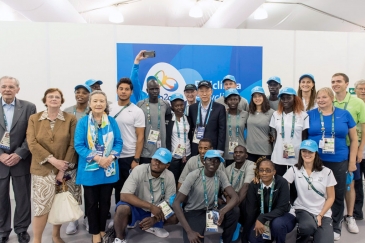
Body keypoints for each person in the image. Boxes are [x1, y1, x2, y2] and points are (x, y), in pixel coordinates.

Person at [26, 88, 77, 243]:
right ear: (45, 100)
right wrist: (52, 160)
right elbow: (32, 143)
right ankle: (37, 240)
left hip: (64, 170)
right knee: (41, 207)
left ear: (61, 101)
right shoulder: (34, 119)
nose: (54, 99)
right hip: (42, 169)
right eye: (50, 97)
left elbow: (72, 144)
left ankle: (56, 236)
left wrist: (62, 169)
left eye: (57, 97)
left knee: (58, 204)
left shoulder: (70, 119)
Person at [307, 87, 358, 241]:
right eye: (318, 98)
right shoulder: (310, 115)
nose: (321, 100)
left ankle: (336, 226)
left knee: (337, 193)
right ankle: (316, 222)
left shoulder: (344, 114)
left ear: (331, 98)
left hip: (339, 160)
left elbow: (354, 140)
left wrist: (352, 162)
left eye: (324, 97)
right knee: (316, 192)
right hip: (316, 160)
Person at [74, 90, 123, 243]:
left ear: (105, 104)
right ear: (90, 104)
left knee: (106, 202)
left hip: (108, 168)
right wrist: (98, 158)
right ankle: (95, 232)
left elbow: (118, 143)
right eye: (95, 101)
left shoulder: (111, 121)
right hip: (90, 171)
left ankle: (102, 229)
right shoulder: (83, 122)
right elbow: (79, 145)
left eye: (101, 101)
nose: (98, 104)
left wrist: (110, 157)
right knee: (91, 203)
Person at [172, 150, 240, 243]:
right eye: (210, 160)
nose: (213, 162)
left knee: (234, 211)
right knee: (194, 239)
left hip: (212, 209)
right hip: (194, 211)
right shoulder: (193, 175)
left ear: (219, 163)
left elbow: (235, 197)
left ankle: (226, 240)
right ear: (204, 161)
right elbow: (176, 203)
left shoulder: (221, 174)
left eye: (216, 160)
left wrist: (223, 211)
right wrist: (189, 231)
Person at [113, 148, 178, 243]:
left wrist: (155, 219)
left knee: (174, 217)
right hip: (138, 206)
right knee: (122, 208)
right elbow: (124, 195)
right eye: (155, 159)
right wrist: (150, 206)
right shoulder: (139, 170)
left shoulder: (170, 176)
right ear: (151, 159)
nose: (157, 163)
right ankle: (120, 238)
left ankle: (153, 226)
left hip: (157, 209)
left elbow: (169, 202)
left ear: (167, 165)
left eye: (161, 162)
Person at [0, 76, 36, 243]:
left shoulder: (29, 107)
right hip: (0, 161)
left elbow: (32, 134)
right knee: (1, 198)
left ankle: (22, 229)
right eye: (4, 86)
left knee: (22, 198)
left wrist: (19, 154)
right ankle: (3, 230)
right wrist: (1, 155)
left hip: (20, 160)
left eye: (11, 86)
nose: (7, 89)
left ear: (17, 89)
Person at [283, 139, 336, 243]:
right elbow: (281, 183)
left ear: (316, 153)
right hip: (303, 209)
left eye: (310, 151)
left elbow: (331, 197)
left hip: (322, 212)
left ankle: (314, 236)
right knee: (307, 227)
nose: (307, 154)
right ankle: (303, 236)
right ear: (300, 152)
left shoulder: (327, 172)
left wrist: (320, 215)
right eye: (304, 151)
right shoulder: (294, 169)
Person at [331, 73, 365, 235]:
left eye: (339, 81)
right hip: (333, 150)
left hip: (351, 150)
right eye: (333, 82)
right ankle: (332, 217)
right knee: (332, 185)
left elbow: (363, 130)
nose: (335, 84)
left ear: (347, 84)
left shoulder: (357, 103)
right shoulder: (330, 101)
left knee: (349, 184)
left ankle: (350, 216)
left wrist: (359, 151)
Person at [109, 78, 145, 204]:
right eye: (121, 89)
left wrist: (136, 159)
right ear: (117, 90)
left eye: (127, 89)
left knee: (127, 190)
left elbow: (140, 137)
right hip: (111, 156)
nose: (123, 92)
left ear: (131, 92)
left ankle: (128, 216)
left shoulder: (137, 111)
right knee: (112, 189)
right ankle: (116, 215)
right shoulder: (108, 108)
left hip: (128, 156)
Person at [241, 159, 295, 243]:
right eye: (261, 170)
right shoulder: (254, 185)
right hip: (263, 217)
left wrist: (262, 218)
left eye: (268, 170)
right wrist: (245, 236)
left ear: (274, 172)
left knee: (277, 225)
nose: (264, 173)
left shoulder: (282, 182)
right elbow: (251, 211)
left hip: (281, 216)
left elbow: (282, 208)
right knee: (253, 239)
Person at [63, 83, 91, 235]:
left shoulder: (92, 111)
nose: (80, 95)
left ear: (90, 95)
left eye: (84, 93)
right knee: (72, 189)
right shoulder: (67, 112)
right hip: (71, 156)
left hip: (87, 156)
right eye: (77, 92)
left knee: (88, 190)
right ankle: (73, 219)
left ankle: (87, 217)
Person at [270, 87, 308, 174]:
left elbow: (304, 138)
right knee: (279, 185)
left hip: (296, 158)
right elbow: (275, 136)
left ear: (295, 99)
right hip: (278, 157)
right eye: (283, 98)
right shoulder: (275, 115)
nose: (285, 100)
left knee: (295, 186)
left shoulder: (303, 116)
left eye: (288, 97)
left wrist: (303, 157)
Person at [137, 77, 171, 164]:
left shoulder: (165, 104)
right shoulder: (140, 105)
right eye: (152, 89)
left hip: (161, 149)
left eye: (157, 89)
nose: (155, 91)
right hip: (146, 151)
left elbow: (168, 118)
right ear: (147, 90)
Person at [187, 80, 226, 156]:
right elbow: (191, 128)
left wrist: (220, 149)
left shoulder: (220, 108)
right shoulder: (192, 108)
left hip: (212, 147)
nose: (204, 94)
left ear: (211, 91)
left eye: (207, 91)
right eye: (201, 91)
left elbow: (222, 130)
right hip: (196, 146)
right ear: (198, 93)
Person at [166, 93, 191, 185]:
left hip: (187, 154)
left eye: (181, 105)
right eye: (176, 106)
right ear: (172, 107)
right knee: (173, 178)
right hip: (174, 156)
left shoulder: (188, 118)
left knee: (185, 180)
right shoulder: (168, 119)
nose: (179, 107)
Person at [246, 86, 275, 162]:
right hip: (250, 150)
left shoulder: (271, 112)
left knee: (264, 173)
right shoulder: (249, 112)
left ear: (264, 97)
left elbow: (274, 132)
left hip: (264, 151)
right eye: (255, 96)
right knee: (251, 173)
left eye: (259, 96)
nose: (257, 98)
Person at [223, 89, 248, 167]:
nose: (233, 102)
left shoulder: (246, 114)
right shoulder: (222, 114)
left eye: (235, 99)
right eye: (230, 99)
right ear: (226, 101)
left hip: (241, 151)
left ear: (239, 100)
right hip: (226, 151)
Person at [353, 79, 365, 220]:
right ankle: (357, 212)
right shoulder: (354, 105)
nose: (363, 91)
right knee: (357, 181)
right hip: (357, 149)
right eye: (360, 88)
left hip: (361, 147)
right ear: (355, 90)